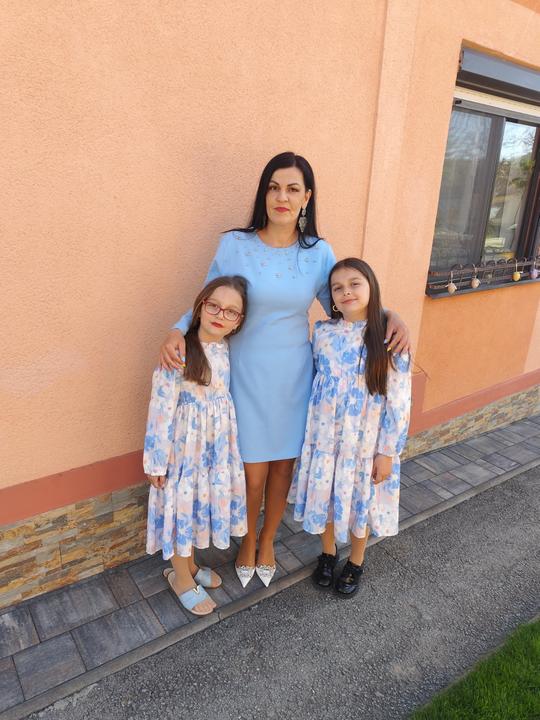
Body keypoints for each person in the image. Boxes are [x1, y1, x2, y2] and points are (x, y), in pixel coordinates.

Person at [159, 152, 410, 588]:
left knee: (282, 469)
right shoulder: (234, 245)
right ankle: (246, 540)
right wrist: (177, 330)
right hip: (245, 374)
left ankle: (268, 540)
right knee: (251, 471)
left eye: (293, 189)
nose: (282, 196)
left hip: (296, 376)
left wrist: (392, 316)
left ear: (306, 197)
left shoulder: (318, 253)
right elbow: (207, 301)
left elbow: (346, 304)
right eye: (274, 187)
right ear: (264, 193)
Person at [289, 258, 411, 596]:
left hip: (364, 442)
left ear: (371, 285)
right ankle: (328, 554)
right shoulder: (322, 332)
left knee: (360, 501)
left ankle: (356, 561)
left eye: (355, 283)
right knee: (325, 495)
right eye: (337, 287)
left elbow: (399, 400)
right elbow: (315, 380)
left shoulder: (388, 337)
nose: (346, 292)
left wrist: (387, 451)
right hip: (325, 438)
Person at [144, 276, 248, 615]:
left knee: (197, 507)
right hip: (183, 453)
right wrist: (156, 461)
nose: (220, 315)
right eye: (214, 306)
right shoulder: (179, 351)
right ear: (201, 307)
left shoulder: (225, 349)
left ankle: (188, 566)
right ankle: (180, 578)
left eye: (231, 311)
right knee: (181, 511)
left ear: (238, 322)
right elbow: (160, 409)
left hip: (213, 451)